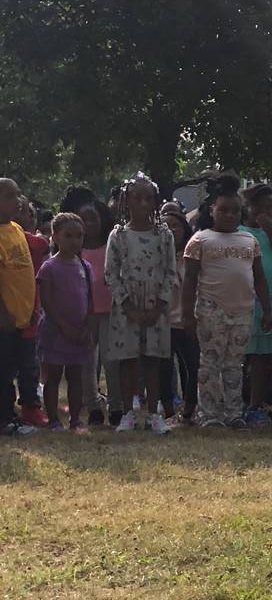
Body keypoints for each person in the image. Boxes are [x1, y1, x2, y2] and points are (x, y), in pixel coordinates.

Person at [182, 191, 272, 428]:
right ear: (212, 210)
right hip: (212, 311)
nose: (229, 215)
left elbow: (259, 277)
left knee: (235, 364)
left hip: (243, 311)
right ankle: (209, 414)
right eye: (223, 210)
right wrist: (187, 315)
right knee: (211, 363)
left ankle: (233, 413)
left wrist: (267, 309)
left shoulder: (248, 241)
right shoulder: (200, 240)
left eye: (235, 210)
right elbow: (189, 280)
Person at [104, 175, 178, 434]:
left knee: (153, 359)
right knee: (128, 360)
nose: (144, 203)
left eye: (149, 198)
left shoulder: (164, 235)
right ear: (127, 201)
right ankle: (127, 413)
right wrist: (127, 305)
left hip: (155, 304)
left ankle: (154, 414)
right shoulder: (119, 236)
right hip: (127, 306)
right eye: (138, 198)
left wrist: (159, 305)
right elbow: (111, 273)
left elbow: (171, 271)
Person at [36, 211, 93, 432]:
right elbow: (47, 302)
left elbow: (90, 299)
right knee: (53, 376)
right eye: (68, 236)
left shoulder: (85, 267)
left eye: (79, 236)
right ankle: (53, 420)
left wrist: (86, 324)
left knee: (75, 375)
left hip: (79, 332)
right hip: (55, 331)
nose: (74, 241)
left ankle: (75, 419)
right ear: (55, 236)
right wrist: (63, 326)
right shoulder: (49, 268)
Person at [240, 183, 272, 428]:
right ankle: (235, 401)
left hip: (269, 298)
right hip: (243, 299)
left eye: (269, 208)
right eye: (259, 208)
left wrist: (270, 231)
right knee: (242, 354)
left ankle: (255, 404)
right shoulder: (238, 232)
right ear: (247, 207)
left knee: (263, 357)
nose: (264, 212)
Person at [0, 178, 38, 437]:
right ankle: (4, 419)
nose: (19, 200)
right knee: (3, 371)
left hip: (22, 317)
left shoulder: (15, 228)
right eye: (11, 196)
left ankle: (10, 415)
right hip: (5, 319)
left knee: (14, 367)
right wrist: (3, 314)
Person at [158, 202, 199, 424]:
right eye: (166, 226)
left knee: (192, 366)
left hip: (187, 319)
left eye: (176, 226)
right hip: (163, 321)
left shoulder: (192, 254)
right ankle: (167, 410)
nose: (172, 230)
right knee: (164, 369)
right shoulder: (155, 256)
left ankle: (189, 409)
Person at [77, 199, 115, 425]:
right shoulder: (75, 250)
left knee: (112, 361)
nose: (89, 224)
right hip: (85, 313)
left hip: (110, 311)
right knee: (87, 361)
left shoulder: (111, 245)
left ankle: (116, 405)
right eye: (84, 220)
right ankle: (92, 406)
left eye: (93, 219)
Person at [14, 198, 49, 429]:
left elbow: (42, 245)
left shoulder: (26, 240)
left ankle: (31, 407)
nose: (28, 216)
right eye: (22, 211)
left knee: (29, 365)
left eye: (30, 213)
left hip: (29, 312)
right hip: (11, 311)